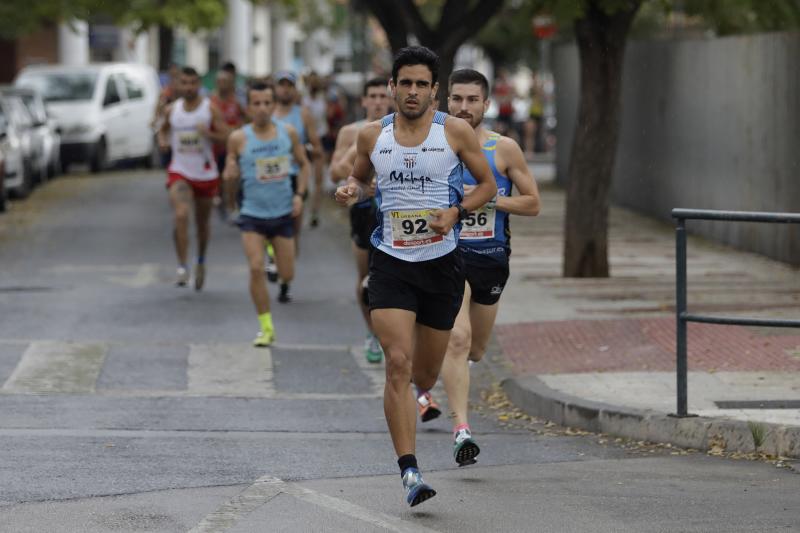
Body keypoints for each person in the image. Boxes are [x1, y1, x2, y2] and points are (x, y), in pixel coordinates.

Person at [334, 46, 497, 507]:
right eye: (404, 83)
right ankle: (410, 471)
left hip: (442, 265)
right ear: (391, 87)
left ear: (435, 90)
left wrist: (455, 211)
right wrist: (352, 189)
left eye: (421, 84)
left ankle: (421, 399)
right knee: (398, 364)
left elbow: (486, 185)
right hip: (390, 263)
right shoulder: (372, 136)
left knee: (424, 373)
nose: (411, 92)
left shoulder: (456, 132)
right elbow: (361, 180)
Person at [422, 69, 541, 468]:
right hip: (446, 255)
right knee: (457, 339)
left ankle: (423, 361)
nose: (464, 107)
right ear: (445, 101)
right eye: (457, 99)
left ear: (486, 105)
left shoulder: (504, 149)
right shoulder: (433, 146)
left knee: (475, 348)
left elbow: (533, 203)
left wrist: (487, 200)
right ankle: (462, 430)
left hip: (490, 258)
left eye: (473, 100)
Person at [223, 82, 310, 345]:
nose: (262, 109)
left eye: (266, 103)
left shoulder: (289, 133)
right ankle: (266, 326)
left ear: (273, 105)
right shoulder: (238, 138)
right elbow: (229, 173)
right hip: (252, 214)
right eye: (256, 103)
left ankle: (274, 253)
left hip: (283, 212)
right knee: (255, 268)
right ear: (248, 108)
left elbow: (304, 165)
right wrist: (229, 178)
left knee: (288, 274)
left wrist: (299, 195)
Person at [330, 77, 391, 364]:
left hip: (396, 211)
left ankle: (393, 333)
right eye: (373, 96)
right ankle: (371, 332)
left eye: (383, 95)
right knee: (365, 277)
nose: (378, 101)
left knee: (393, 276)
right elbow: (336, 172)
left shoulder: (401, 129)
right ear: (364, 101)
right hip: (363, 211)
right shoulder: (351, 132)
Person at [158, 66, 229, 290]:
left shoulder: (210, 110)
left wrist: (208, 134)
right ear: (178, 84)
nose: (188, 87)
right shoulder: (172, 110)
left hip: (205, 173)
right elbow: (163, 129)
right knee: (181, 214)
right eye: (184, 83)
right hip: (180, 171)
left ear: (199, 84)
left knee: (202, 224)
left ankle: (200, 260)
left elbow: (227, 137)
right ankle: (182, 267)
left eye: (192, 83)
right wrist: (163, 140)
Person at [273, 71, 324, 243]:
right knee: (270, 227)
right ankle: (272, 262)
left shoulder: (303, 114)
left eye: (290, 86)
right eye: (282, 85)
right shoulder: (268, 112)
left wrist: (303, 149)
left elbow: (317, 148)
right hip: (271, 177)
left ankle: (288, 267)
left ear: (295, 90)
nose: (285, 90)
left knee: (293, 232)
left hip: (296, 176)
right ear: (275, 88)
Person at [210, 62, 247, 215]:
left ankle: (231, 202)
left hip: (232, 147)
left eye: (226, 82)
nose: (223, 85)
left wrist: (239, 126)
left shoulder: (236, 101)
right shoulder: (211, 102)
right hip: (215, 146)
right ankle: (219, 197)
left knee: (232, 174)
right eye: (220, 82)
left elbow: (247, 118)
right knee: (218, 174)